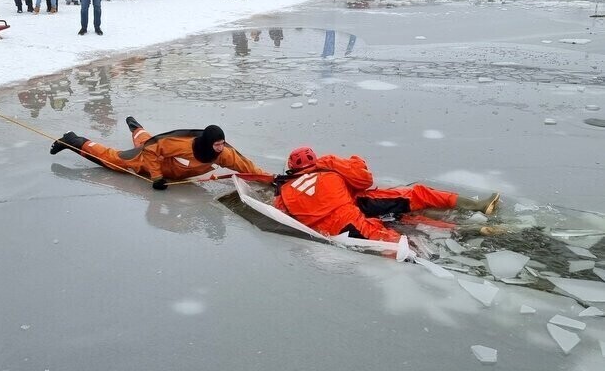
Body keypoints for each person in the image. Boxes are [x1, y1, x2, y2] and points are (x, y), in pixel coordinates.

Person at [274, 147, 500, 243]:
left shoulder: (284, 191)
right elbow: (363, 178)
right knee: (415, 196)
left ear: (291, 167)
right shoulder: (328, 167)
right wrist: (343, 160)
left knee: (394, 235)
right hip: (356, 204)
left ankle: (473, 230)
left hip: (342, 218)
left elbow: (283, 216)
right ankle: (477, 206)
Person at [50, 117, 271, 189]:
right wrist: (155, 177)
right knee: (114, 160)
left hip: (165, 160)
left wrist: (270, 179)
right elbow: (154, 149)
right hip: (151, 162)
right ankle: (73, 140)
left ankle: (136, 127)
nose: (221, 149)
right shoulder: (181, 144)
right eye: (217, 145)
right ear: (206, 143)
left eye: (223, 144)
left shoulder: (223, 153)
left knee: (146, 140)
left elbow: (246, 166)